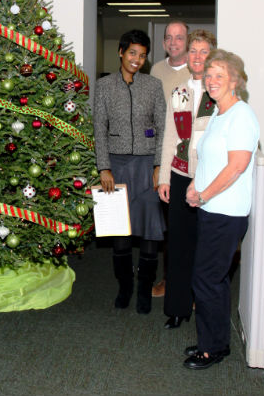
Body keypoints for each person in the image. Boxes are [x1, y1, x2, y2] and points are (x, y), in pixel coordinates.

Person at [184, 49, 259, 369]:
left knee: (206, 279)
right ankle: (215, 340)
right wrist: (193, 185)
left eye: (219, 76)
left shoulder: (241, 115)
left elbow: (236, 167)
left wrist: (203, 195)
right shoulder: (218, 113)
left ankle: (212, 348)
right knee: (212, 278)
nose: (211, 81)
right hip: (210, 208)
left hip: (225, 212)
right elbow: (209, 158)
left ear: (235, 82)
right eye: (209, 74)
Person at [94, 29, 166, 314]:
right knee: (119, 232)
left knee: (150, 232)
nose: (137, 59)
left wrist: (159, 165)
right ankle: (125, 286)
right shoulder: (104, 86)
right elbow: (99, 128)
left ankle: (145, 289)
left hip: (147, 166)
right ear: (121, 52)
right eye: (133, 53)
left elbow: (162, 129)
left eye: (143, 55)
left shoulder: (153, 85)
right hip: (116, 166)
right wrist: (104, 166)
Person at [158, 30, 217, 329]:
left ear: (212, 56)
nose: (196, 56)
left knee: (206, 248)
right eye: (192, 50)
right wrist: (164, 179)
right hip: (181, 177)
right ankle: (178, 308)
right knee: (179, 246)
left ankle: (204, 307)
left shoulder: (218, 94)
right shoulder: (178, 92)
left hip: (210, 182)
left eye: (202, 51)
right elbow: (170, 137)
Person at [150, 20, 191, 298]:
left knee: (192, 227)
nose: (174, 42)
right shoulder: (156, 70)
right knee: (167, 225)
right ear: (164, 42)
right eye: (169, 38)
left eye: (179, 37)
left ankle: (193, 285)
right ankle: (169, 278)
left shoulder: (199, 71)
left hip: (190, 160)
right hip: (163, 156)